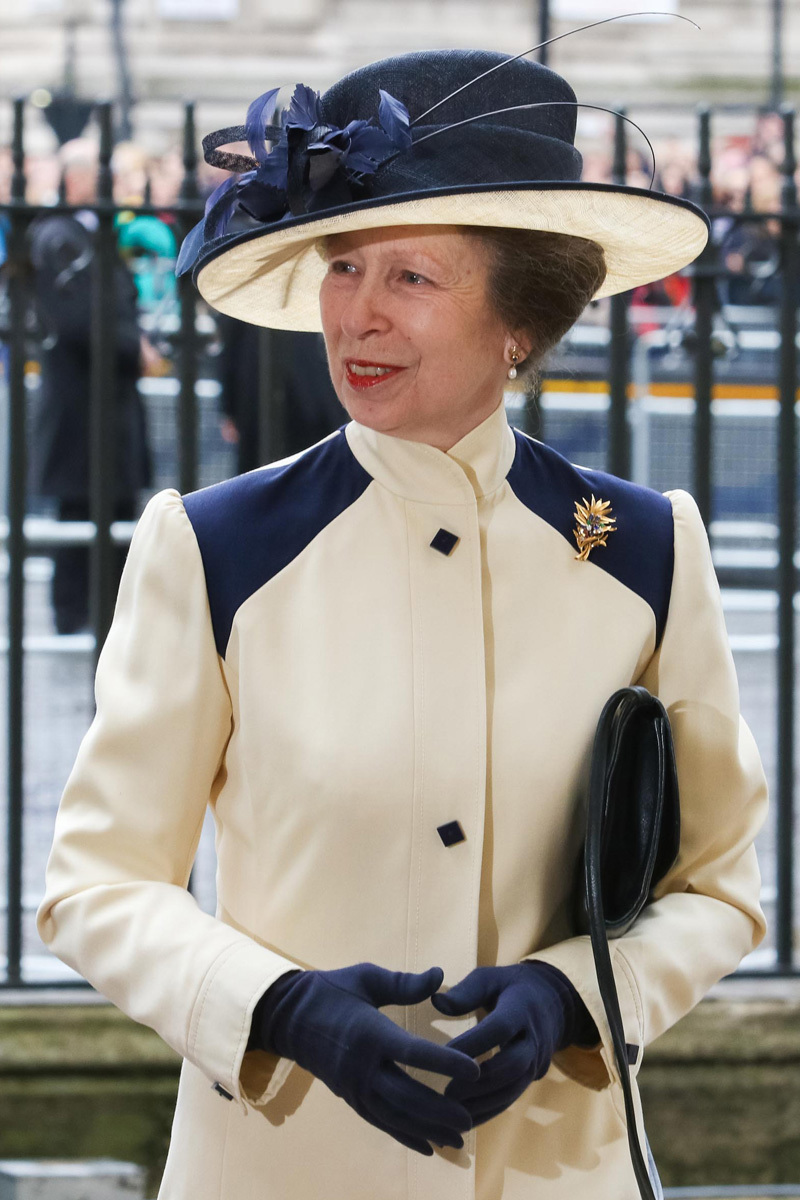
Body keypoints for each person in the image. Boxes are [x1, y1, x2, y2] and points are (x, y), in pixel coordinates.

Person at [37, 49, 768, 1200]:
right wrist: (283, 1013)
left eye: (412, 278)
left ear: (518, 320)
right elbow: (94, 885)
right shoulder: (215, 545)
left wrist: (575, 994)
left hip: (555, 1171)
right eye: (341, 265)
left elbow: (719, 887)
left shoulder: (643, 549)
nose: (357, 316)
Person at [26, 137, 156, 633]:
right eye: (110, 177)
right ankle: (78, 624)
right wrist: (135, 347)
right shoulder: (57, 235)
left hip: (110, 411)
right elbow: (81, 320)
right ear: (78, 178)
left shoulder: (90, 234)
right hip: (82, 413)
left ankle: (106, 624)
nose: (119, 188)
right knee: (80, 528)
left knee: (114, 525)